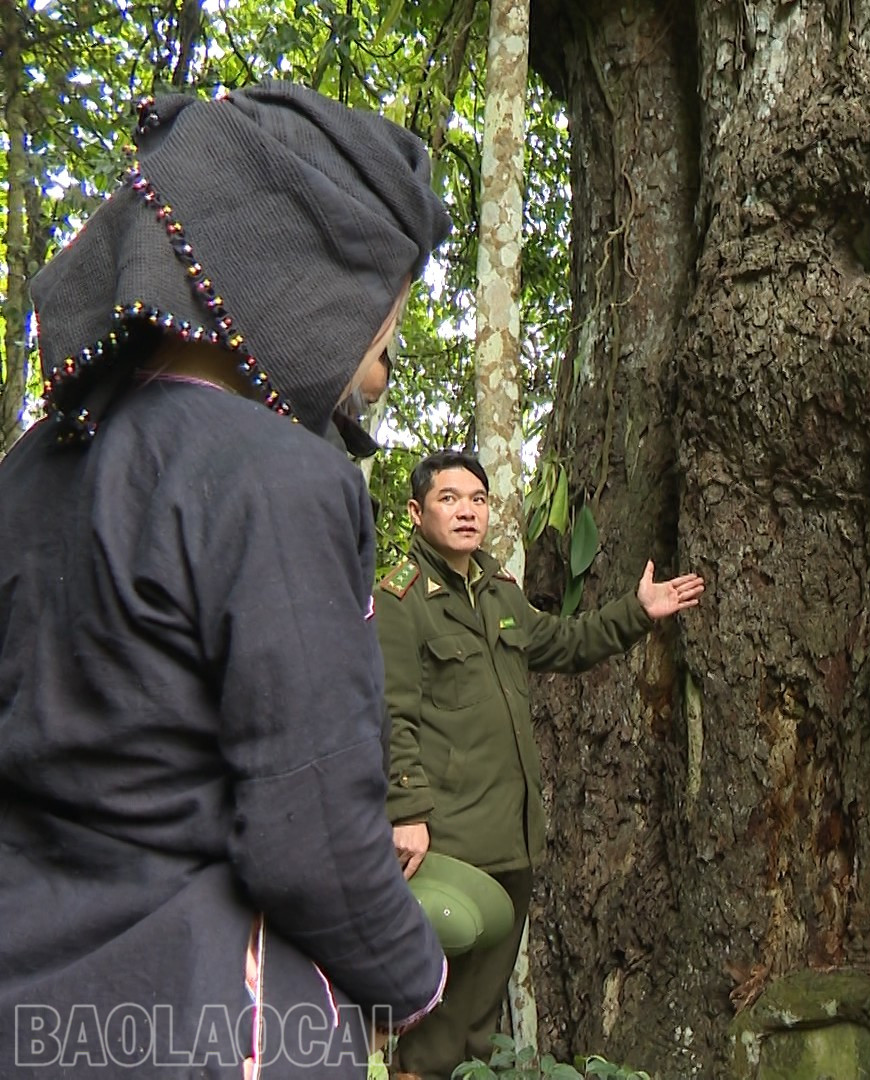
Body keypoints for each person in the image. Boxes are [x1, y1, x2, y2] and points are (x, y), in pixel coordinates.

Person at [0, 83, 452, 1075]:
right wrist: (415, 975)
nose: (386, 346)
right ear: (312, 275)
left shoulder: (29, 471)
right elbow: (314, 843)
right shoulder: (280, 478)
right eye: (391, 306)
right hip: (194, 1017)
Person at [378, 449, 705, 1079]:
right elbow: (392, 712)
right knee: (433, 1025)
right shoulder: (401, 599)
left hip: (514, 836)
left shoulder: (500, 589)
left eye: (477, 498)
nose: (467, 511)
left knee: (477, 1020)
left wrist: (638, 612)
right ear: (418, 512)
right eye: (450, 499)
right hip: (448, 840)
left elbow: (565, 642)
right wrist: (408, 810)